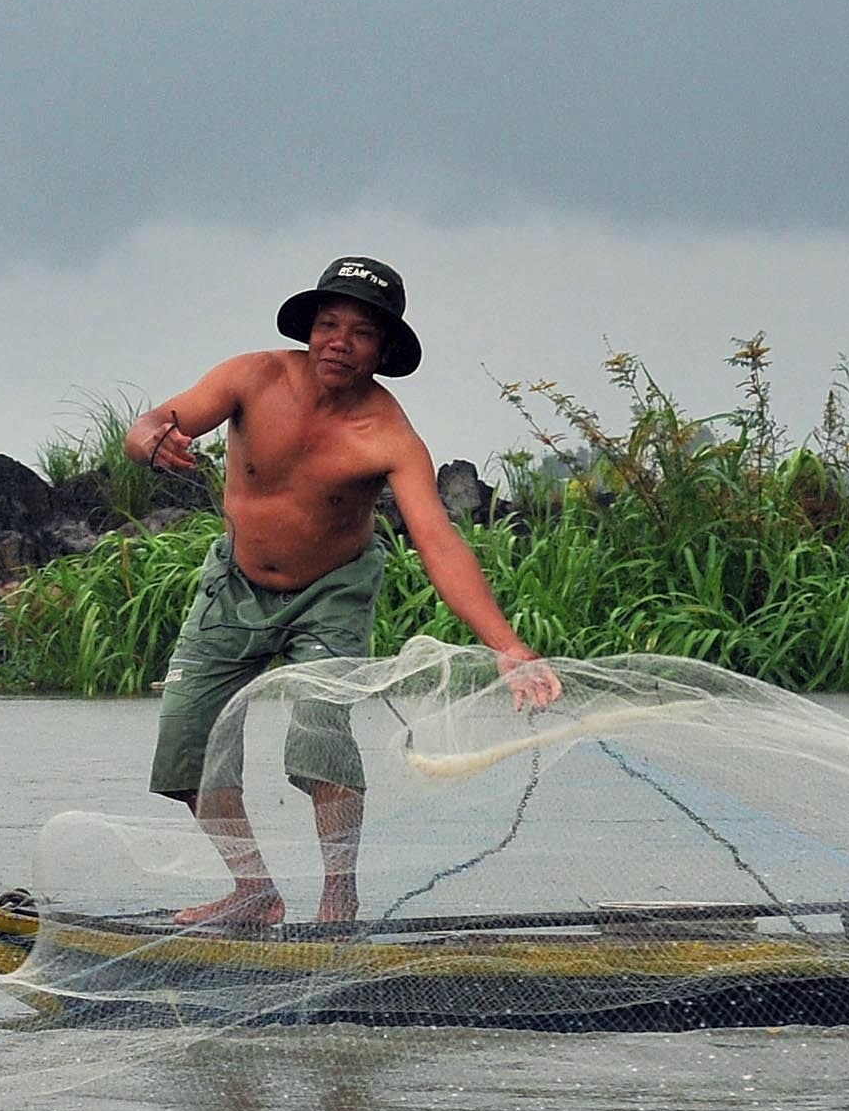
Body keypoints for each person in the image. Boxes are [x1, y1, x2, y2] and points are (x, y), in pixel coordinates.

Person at [123, 255, 560, 928]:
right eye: (329, 324)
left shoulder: (387, 435)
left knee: (319, 732)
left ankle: (339, 898)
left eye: (361, 333)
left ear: (382, 350)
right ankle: (253, 892)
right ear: (309, 330)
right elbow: (153, 423)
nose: (339, 342)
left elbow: (438, 541)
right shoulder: (252, 377)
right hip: (234, 583)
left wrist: (508, 646)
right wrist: (150, 440)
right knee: (187, 742)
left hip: (333, 592)